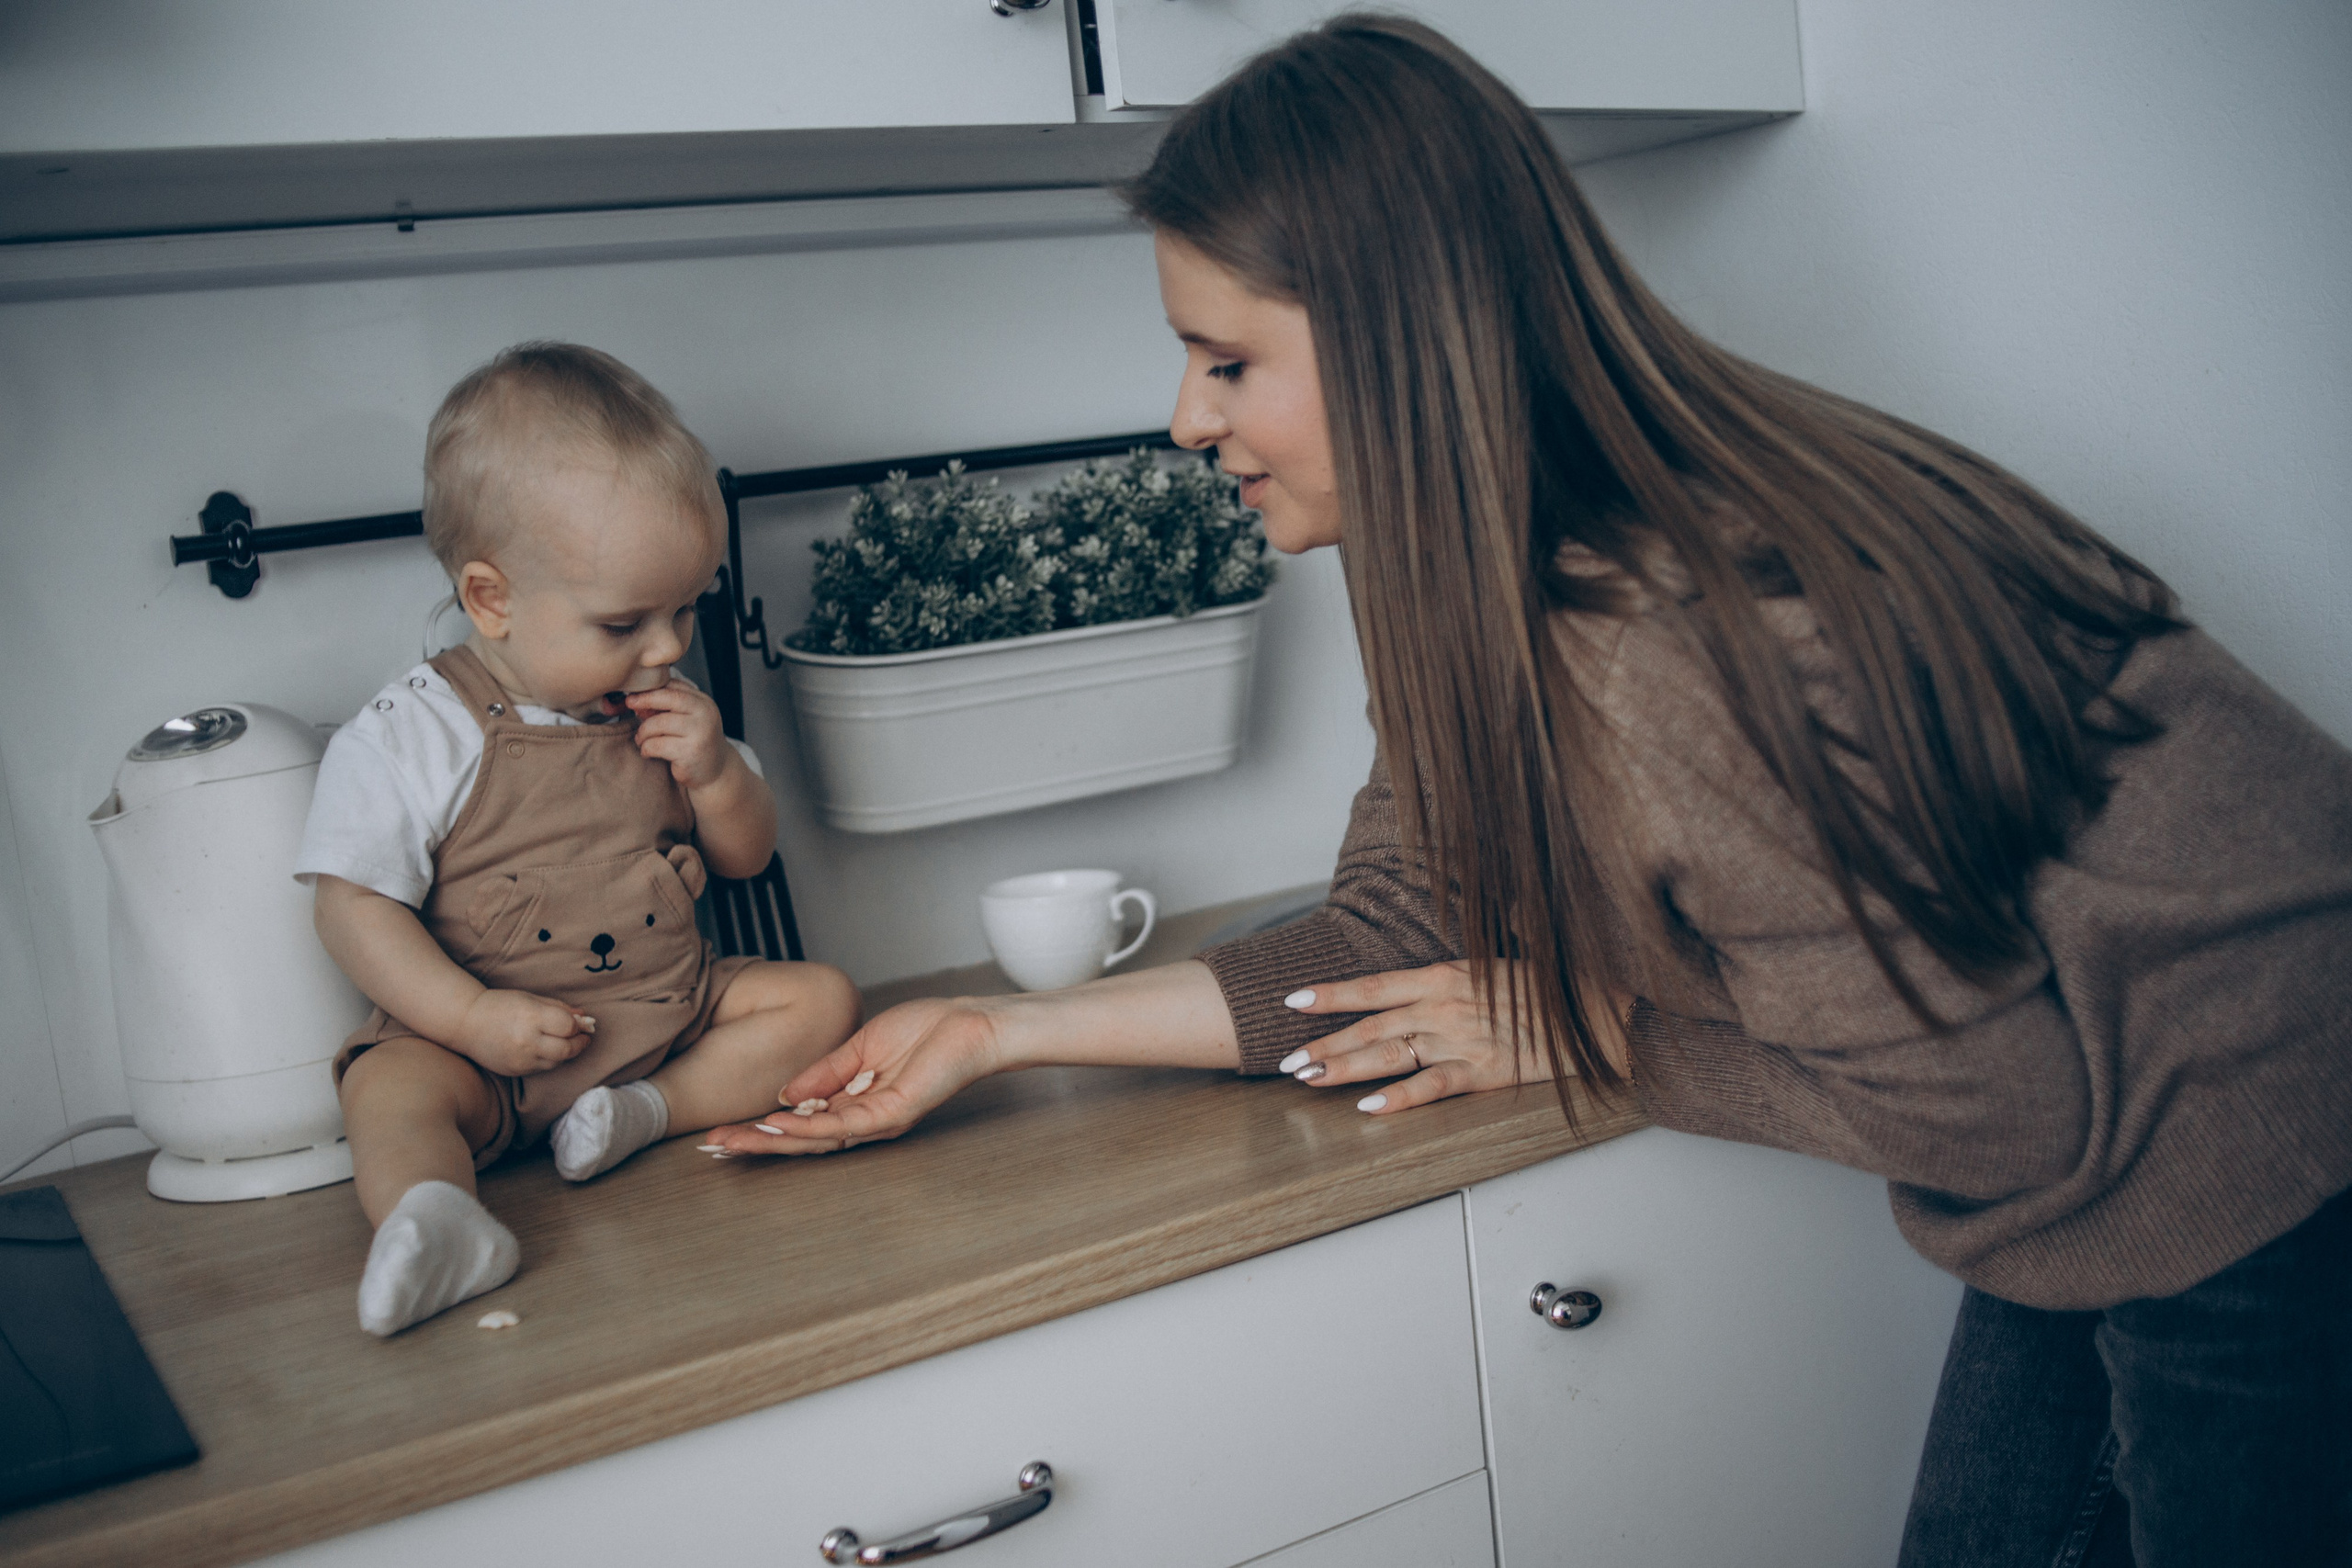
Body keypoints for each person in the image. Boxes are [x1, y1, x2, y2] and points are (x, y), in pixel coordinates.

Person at [705, 17, 2350, 1564]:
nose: (1189, 420)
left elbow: (1998, 1113)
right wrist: (1009, 1032)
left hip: (2276, 1124)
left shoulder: (1654, 651)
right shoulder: (1477, 564)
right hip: (2120, 1120)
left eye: (1225, 362)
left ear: (1400, 341)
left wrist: (1599, 1032)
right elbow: (1407, 912)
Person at [299, 342, 861, 1337]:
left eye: (687, 607)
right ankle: (436, 1219)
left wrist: (718, 775)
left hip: (664, 1022)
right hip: (480, 1060)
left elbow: (746, 857)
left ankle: (649, 1113)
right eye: (625, 622)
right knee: (385, 1093)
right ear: (491, 599)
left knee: (818, 1001)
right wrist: (470, 1020)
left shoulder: (661, 707)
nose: (669, 647)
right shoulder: (413, 733)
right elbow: (351, 908)